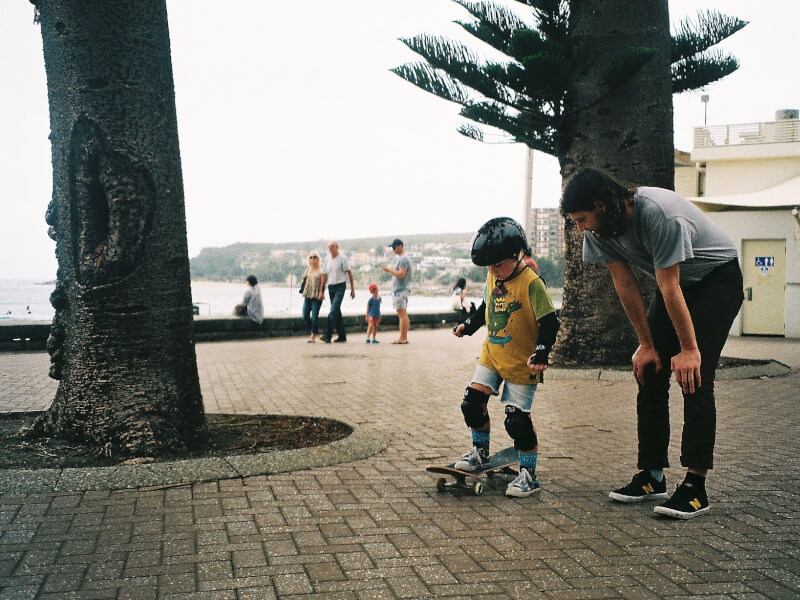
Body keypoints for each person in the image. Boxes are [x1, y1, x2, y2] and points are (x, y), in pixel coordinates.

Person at [561, 167, 743, 519]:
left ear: (602, 205)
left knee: (695, 376)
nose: (580, 228)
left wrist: (689, 351)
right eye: (575, 221)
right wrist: (647, 344)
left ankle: (695, 485)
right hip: (675, 287)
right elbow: (625, 284)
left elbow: (670, 285)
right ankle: (652, 474)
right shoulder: (598, 230)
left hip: (716, 278)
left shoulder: (659, 213)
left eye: (582, 219)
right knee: (649, 369)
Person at [452, 217, 560, 498]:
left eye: (498, 264)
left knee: (516, 421)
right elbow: (488, 305)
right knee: (471, 403)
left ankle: (528, 474)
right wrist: (469, 325)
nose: (493, 271)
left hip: (524, 360)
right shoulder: (493, 275)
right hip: (492, 353)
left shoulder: (532, 283)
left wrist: (542, 350)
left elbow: (550, 321)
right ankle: (480, 453)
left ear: (517, 255)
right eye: (488, 266)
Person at [319, 241, 355, 343]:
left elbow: (350, 274)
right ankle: (342, 336)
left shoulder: (343, 258)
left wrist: (352, 289)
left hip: (340, 286)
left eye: (332, 246)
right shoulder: (327, 259)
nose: (330, 248)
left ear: (337, 247)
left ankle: (327, 335)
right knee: (337, 312)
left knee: (333, 310)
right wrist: (322, 291)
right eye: (329, 246)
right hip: (331, 287)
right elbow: (324, 276)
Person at [381, 238, 412, 344]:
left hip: (400, 290)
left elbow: (401, 274)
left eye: (394, 247)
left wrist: (389, 270)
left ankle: (403, 338)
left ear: (400, 246)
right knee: (403, 314)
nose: (393, 249)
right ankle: (404, 337)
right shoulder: (404, 258)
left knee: (402, 315)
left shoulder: (403, 259)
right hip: (402, 290)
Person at [300, 252, 323, 342]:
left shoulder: (321, 271)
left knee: (314, 316)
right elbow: (303, 283)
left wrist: (321, 293)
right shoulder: (307, 270)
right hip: (308, 295)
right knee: (305, 315)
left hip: (317, 296)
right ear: (308, 259)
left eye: (315, 257)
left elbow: (323, 283)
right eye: (311, 257)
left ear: (318, 259)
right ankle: (314, 331)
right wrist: (303, 278)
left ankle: (313, 336)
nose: (313, 259)